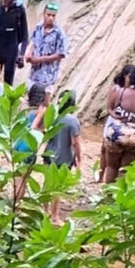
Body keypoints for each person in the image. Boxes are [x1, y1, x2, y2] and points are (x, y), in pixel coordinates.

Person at [101, 65, 135, 184]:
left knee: (111, 167)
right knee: (125, 169)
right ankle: (119, 196)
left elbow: (110, 109)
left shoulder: (120, 92)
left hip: (116, 134)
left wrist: (118, 116)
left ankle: (107, 195)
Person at [41, 88, 82, 224]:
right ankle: (55, 216)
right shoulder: (72, 121)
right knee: (58, 188)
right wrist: (79, 158)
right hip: (64, 157)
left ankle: (44, 211)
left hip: (49, 154)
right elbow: (75, 143)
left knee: (47, 183)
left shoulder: (53, 116)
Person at [13, 82, 47, 202]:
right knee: (24, 179)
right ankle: (17, 204)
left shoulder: (23, 107)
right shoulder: (41, 110)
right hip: (28, 144)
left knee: (18, 177)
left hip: (17, 142)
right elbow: (36, 127)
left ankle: (15, 203)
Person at [25, 2, 67, 98]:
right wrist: (30, 53)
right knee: (31, 101)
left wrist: (40, 59)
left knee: (44, 103)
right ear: (44, 14)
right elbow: (34, 43)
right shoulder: (38, 28)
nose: (51, 18)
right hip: (34, 73)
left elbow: (61, 54)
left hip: (48, 76)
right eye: (48, 15)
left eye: (53, 16)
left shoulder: (59, 33)